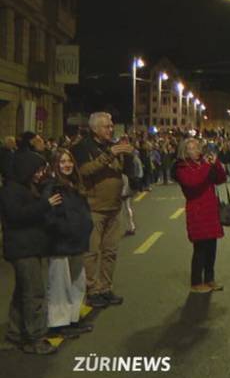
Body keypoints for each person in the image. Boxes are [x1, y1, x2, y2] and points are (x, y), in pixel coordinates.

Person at [2, 151, 62, 354]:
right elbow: (17, 215)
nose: (39, 174)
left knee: (22, 294)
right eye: (37, 170)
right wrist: (45, 204)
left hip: (30, 247)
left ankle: (15, 335)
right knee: (34, 294)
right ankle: (35, 339)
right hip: (23, 249)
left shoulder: (26, 186)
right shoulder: (11, 190)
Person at [73, 112, 133, 309]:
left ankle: (106, 288)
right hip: (94, 208)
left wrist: (129, 155)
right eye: (107, 126)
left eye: (111, 125)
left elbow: (125, 172)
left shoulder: (111, 146)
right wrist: (109, 155)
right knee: (91, 253)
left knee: (110, 252)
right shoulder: (82, 147)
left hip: (114, 208)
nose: (111, 129)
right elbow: (85, 171)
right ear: (95, 129)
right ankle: (93, 290)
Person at [43, 149, 94, 339]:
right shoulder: (53, 187)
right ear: (55, 165)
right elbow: (50, 217)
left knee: (77, 283)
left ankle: (72, 319)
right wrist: (63, 231)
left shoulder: (74, 185)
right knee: (59, 285)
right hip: (61, 243)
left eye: (69, 161)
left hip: (77, 242)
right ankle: (57, 323)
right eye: (62, 161)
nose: (67, 165)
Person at [174, 138, 228, 293]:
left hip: (211, 210)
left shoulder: (202, 164)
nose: (197, 150)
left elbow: (221, 179)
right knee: (200, 249)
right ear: (185, 152)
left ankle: (209, 279)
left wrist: (215, 163)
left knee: (212, 248)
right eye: (192, 148)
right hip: (197, 212)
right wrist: (206, 165)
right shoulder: (182, 168)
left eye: (197, 147)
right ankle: (196, 282)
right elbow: (194, 182)